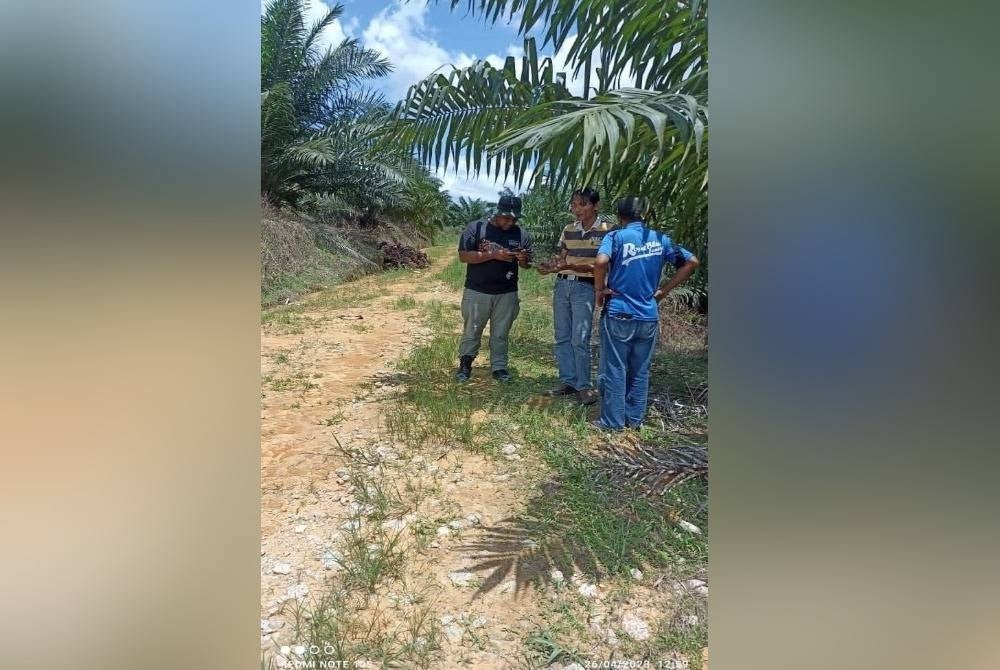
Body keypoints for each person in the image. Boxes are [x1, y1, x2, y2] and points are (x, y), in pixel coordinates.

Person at [592, 196, 700, 430]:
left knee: (616, 367)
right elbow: (691, 261)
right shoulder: (660, 239)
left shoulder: (615, 236)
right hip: (648, 315)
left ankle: (612, 423)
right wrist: (664, 291)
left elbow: (600, 262)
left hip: (619, 312)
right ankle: (634, 419)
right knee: (640, 370)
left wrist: (599, 289)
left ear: (620, 216)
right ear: (643, 214)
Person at [536, 187, 613, 405]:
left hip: (586, 288)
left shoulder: (609, 231)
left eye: (583, 204)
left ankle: (584, 386)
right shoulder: (568, 230)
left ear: (595, 206)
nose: (576, 209)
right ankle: (568, 381)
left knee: (580, 338)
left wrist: (571, 266)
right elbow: (562, 259)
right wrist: (550, 267)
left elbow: (602, 267)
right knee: (562, 336)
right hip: (562, 286)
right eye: (574, 204)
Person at [454, 194, 534, 383]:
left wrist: (523, 260)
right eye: (507, 218)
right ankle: (465, 364)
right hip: (477, 290)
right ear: (497, 213)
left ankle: (499, 367)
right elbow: (464, 256)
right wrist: (492, 255)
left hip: (507, 292)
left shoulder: (521, 234)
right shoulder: (477, 228)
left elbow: (527, 265)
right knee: (472, 329)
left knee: (501, 333)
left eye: (514, 219)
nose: (510, 222)